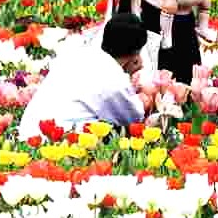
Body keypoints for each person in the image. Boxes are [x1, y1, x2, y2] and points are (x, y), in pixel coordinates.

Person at [17, 13, 149, 141]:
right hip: (59, 143)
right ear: (135, 54)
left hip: (28, 135)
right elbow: (133, 117)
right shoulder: (114, 78)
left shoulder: (80, 54)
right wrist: (139, 87)